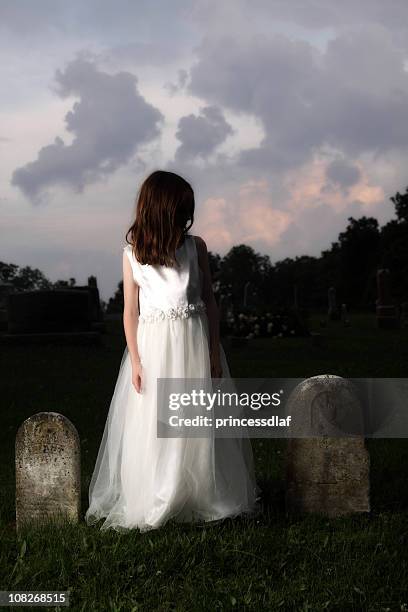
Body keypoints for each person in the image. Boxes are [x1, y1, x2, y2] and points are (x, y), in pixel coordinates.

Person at [85, 170, 260, 532]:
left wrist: (213, 349)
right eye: (182, 209)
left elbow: (209, 299)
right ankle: (159, 493)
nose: (187, 217)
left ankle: (198, 492)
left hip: (194, 344)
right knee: (155, 423)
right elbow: (130, 310)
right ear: (164, 209)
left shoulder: (196, 247)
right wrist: (135, 359)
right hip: (155, 349)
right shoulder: (134, 253)